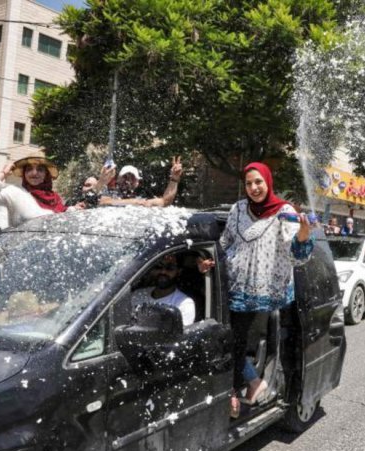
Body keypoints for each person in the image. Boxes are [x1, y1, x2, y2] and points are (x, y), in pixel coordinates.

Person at [218, 162, 313, 418]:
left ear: (268, 182)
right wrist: (209, 262)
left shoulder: (284, 211)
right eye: (249, 183)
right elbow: (225, 242)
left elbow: (297, 256)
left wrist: (303, 234)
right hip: (232, 285)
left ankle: (234, 394)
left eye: (258, 182)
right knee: (228, 341)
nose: (254, 188)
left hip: (264, 292)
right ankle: (253, 383)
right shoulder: (238, 208)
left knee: (235, 342)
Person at [0, 154, 81, 227]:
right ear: (24, 174)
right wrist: (4, 173)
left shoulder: (55, 197)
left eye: (40, 170)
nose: (34, 173)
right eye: (29, 169)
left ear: (46, 175)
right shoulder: (15, 192)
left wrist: (73, 210)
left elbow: (60, 218)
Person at [132, 254, 195, 326]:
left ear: (178, 272)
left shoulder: (185, 304)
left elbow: (179, 336)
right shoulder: (138, 294)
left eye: (170, 268)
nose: (163, 272)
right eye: (158, 267)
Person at [100, 156, 183, 207]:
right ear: (118, 179)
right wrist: (134, 202)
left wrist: (174, 179)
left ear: (138, 182)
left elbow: (165, 202)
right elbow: (102, 202)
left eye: (132, 177)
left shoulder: (143, 198)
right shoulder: (110, 193)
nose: (128, 180)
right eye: (125, 176)